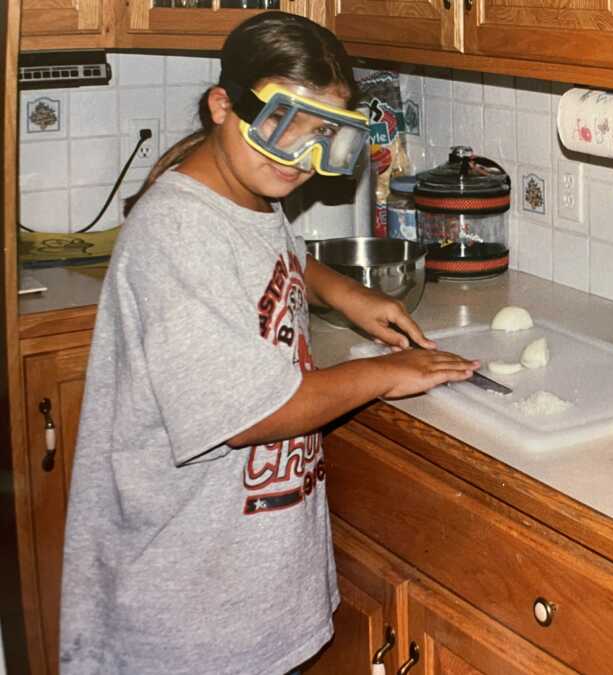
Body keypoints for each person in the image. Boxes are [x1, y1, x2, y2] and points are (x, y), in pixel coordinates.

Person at [59, 11, 478, 674]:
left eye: (324, 140)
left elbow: (273, 255)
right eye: (287, 129)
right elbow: (253, 413)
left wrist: (344, 291)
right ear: (222, 106)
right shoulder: (173, 234)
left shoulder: (248, 190)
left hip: (244, 588)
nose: (301, 161)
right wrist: (389, 373)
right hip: (185, 614)